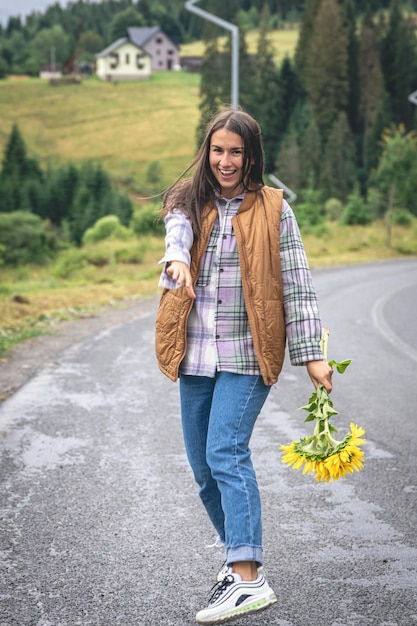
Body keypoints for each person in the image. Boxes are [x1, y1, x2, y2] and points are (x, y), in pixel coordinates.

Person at [155, 107, 333, 625]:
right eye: (218, 150)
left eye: (236, 151)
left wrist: (313, 355)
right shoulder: (187, 199)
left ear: (251, 155)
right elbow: (177, 238)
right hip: (195, 355)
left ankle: (248, 576)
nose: (225, 161)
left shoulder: (275, 208)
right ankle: (239, 561)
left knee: (225, 450)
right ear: (206, 152)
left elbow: (297, 285)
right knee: (203, 469)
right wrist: (177, 261)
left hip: (248, 354)